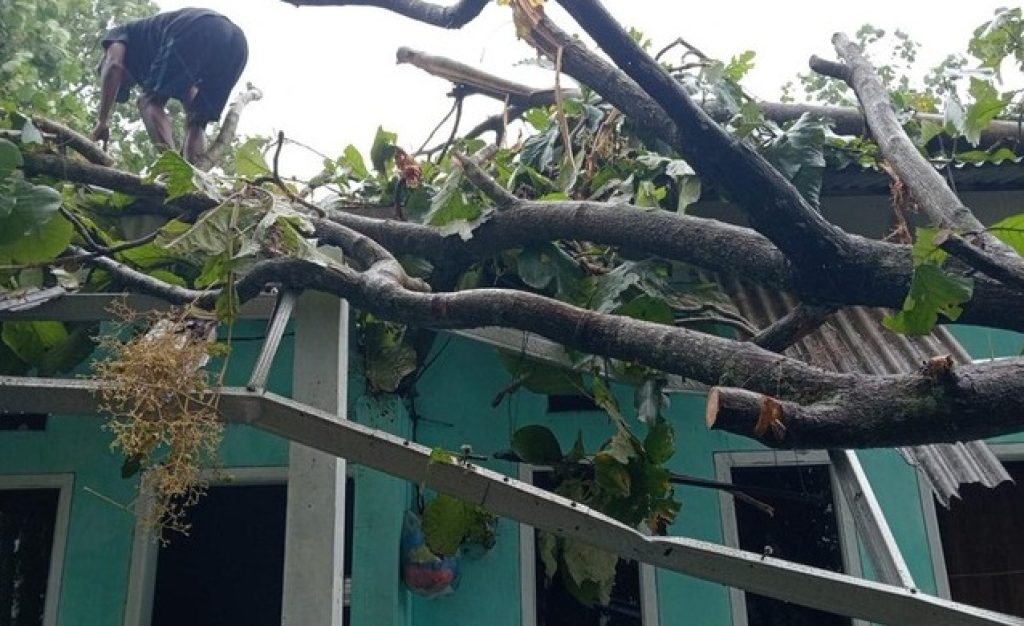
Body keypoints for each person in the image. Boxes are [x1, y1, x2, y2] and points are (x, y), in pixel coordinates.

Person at [92, 8, 248, 163]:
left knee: (147, 101)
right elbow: (190, 97)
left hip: (197, 26)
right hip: (237, 46)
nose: (128, 85)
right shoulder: (154, 64)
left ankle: (172, 167)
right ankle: (195, 178)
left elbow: (113, 66)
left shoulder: (119, 34)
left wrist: (103, 121)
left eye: (121, 84)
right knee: (197, 119)